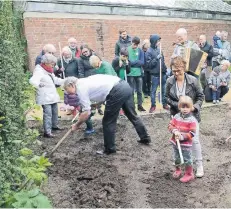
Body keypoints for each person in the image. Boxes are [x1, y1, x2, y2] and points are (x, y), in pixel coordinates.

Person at [64, 75, 151, 155]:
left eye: (67, 90)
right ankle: (145, 138)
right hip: (124, 85)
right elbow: (104, 91)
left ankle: (110, 149)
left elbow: (87, 113)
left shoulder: (80, 88)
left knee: (108, 121)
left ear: (72, 85)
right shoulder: (85, 81)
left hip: (116, 90)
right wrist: (96, 104)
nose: (68, 93)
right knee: (132, 115)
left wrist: (76, 125)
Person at [165, 56, 204, 178]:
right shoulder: (170, 81)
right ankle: (183, 168)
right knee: (178, 141)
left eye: (179, 71)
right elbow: (166, 97)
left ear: (184, 68)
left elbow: (201, 96)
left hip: (192, 117)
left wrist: (194, 107)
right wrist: (179, 105)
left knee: (194, 140)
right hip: (177, 117)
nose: (176, 74)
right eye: (174, 71)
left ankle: (199, 165)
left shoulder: (193, 80)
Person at [30, 54, 64, 138]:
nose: (53, 65)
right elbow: (32, 81)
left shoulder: (48, 70)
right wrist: (39, 85)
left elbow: (55, 80)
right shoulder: (39, 71)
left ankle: (54, 126)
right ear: (46, 62)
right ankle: (47, 132)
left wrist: (65, 81)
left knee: (55, 112)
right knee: (48, 114)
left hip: (52, 95)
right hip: (45, 97)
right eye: (52, 63)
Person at [168, 96, 198, 183]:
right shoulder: (176, 117)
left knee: (187, 158)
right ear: (179, 107)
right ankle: (178, 169)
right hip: (175, 143)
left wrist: (182, 137)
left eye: (187, 107)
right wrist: (175, 131)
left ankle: (189, 174)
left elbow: (192, 133)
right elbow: (170, 125)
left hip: (186, 144)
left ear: (191, 107)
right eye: (183, 107)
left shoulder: (192, 120)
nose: (185, 109)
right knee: (176, 157)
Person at [146, 34, 169, 113]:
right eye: (157, 41)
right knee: (153, 91)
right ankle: (153, 105)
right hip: (155, 74)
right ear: (154, 41)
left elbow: (163, 61)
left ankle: (164, 103)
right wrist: (156, 58)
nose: (159, 43)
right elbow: (149, 65)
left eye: (159, 41)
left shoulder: (160, 50)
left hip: (162, 73)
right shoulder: (149, 51)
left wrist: (164, 69)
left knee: (164, 90)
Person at [78, 45, 104, 115]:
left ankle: (99, 107)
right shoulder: (81, 59)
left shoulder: (95, 55)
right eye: (83, 52)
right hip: (88, 78)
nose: (85, 53)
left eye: (86, 51)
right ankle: (92, 108)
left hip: (97, 75)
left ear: (89, 50)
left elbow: (101, 64)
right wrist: (82, 80)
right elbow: (81, 71)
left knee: (99, 93)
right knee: (91, 94)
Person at [127, 36, 146, 112]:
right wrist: (136, 62)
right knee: (131, 91)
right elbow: (127, 62)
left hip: (138, 73)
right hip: (130, 73)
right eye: (134, 44)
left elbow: (142, 62)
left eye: (136, 45)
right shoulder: (127, 49)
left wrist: (132, 63)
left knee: (139, 91)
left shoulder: (140, 51)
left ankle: (140, 105)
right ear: (132, 42)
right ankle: (132, 107)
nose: (135, 46)